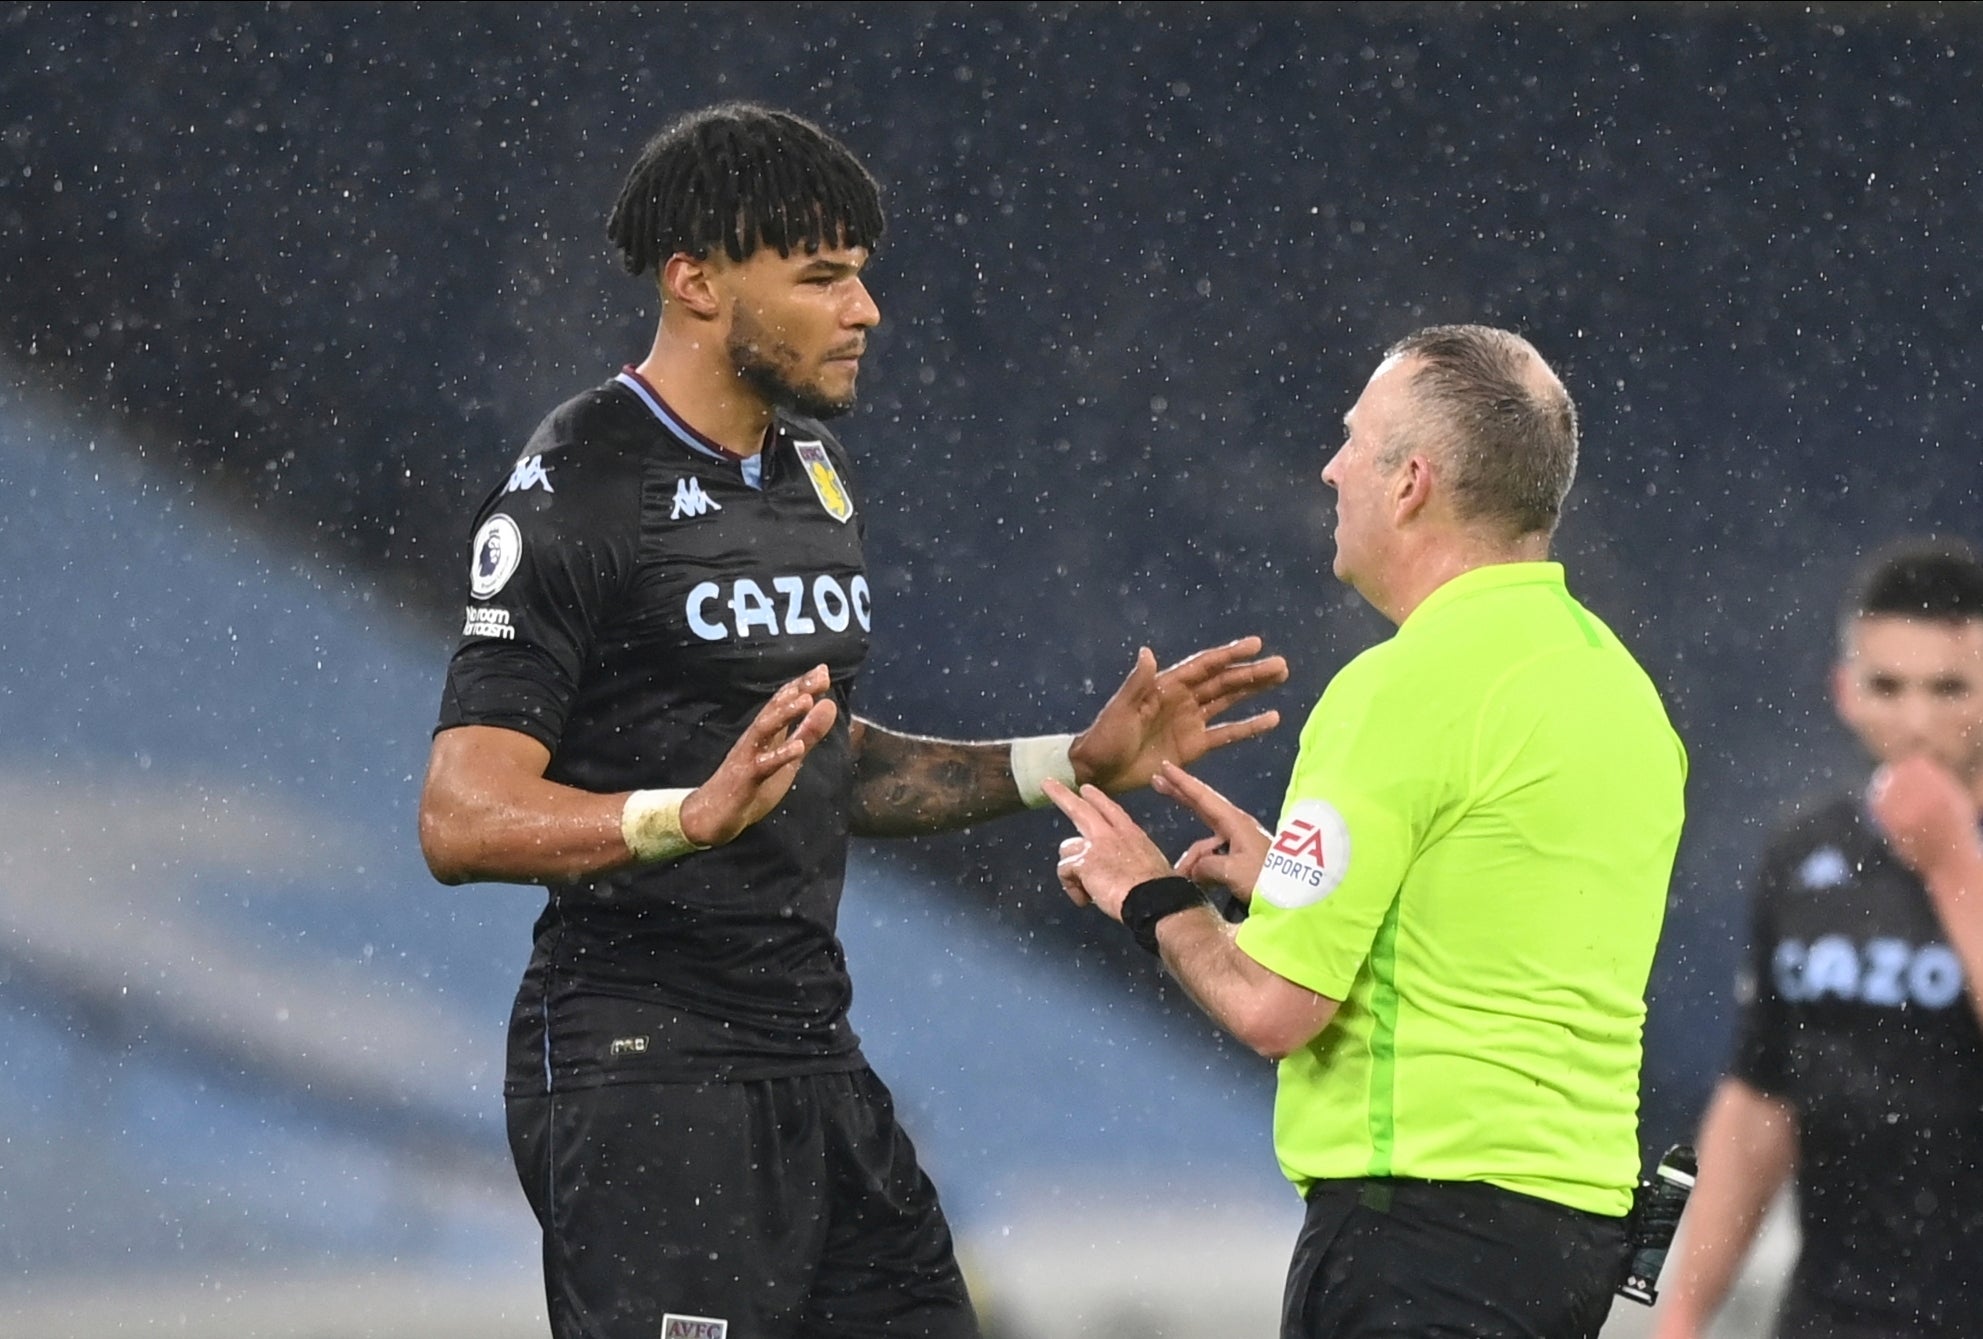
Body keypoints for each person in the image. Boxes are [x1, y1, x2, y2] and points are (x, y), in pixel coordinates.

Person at [414, 103, 1287, 1339]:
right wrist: (685, 816)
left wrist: (1067, 763)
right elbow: (459, 814)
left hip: (811, 1050)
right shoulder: (579, 479)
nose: (864, 310)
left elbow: (826, 765)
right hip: (643, 1071)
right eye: (822, 278)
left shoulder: (812, 475)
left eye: (861, 277)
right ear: (695, 281)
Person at [1046, 324, 1688, 1339]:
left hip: (1420, 1236)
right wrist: (1287, 885)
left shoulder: (1400, 689)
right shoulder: (1620, 687)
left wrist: (1148, 893)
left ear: (1411, 485)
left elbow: (1271, 1008)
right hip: (1570, 1231)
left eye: (1354, 439)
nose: (1330, 465)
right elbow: (1497, 929)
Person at [1651, 539, 1983, 1339]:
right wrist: (1684, 1306)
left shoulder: (1949, 856)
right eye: (1887, 686)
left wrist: (1951, 862)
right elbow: (1758, 1099)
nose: (1915, 721)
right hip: (1833, 1312)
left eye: (1948, 689)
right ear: (1843, 691)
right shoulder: (1803, 851)